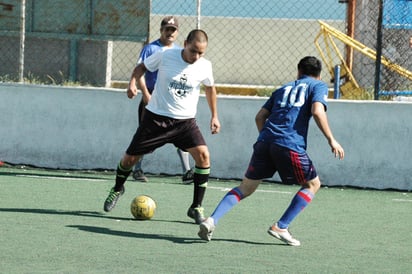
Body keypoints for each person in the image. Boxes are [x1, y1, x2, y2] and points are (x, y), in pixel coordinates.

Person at [198, 56, 344, 246]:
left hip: (264, 141)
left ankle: (211, 220)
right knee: (312, 184)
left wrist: (268, 140)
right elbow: (317, 111)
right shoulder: (318, 86)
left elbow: (260, 117)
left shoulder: (283, 89)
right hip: (289, 143)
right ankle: (281, 226)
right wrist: (332, 140)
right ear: (318, 74)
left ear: (298, 71)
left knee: (245, 188)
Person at [104, 29, 221, 225]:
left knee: (203, 156)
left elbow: (210, 89)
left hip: (185, 123)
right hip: (156, 118)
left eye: (201, 52)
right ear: (185, 43)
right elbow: (141, 69)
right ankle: (117, 188)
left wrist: (214, 116)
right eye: (193, 51)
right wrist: (132, 83)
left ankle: (196, 207)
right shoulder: (166, 55)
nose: (196, 56)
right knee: (129, 158)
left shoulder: (205, 66)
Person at [130, 16, 194, 184]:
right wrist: (144, 93)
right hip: (151, 97)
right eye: (167, 29)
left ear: (177, 32)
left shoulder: (180, 51)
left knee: (181, 132)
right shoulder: (151, 49)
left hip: (171, 100)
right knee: (145, 133)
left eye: (173, 30)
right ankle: (137, 169)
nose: (169, 33)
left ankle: (187, 171)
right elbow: (140, 71)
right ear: (161, 30)